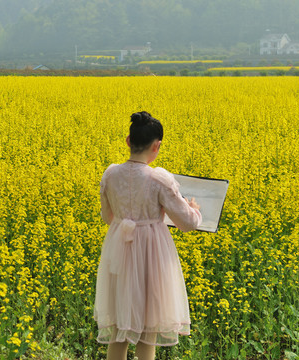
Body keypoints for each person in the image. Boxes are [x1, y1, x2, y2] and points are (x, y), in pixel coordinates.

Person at [94, 111, 202, 360]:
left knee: (120, 329)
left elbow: (107, 216)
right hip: (152, 253)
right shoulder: (159, 178)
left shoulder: (110, 174)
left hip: (118, 249)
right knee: (147, 329)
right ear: (157, 145)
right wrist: (194, 210)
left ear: (128, 141)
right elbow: (187, 223)